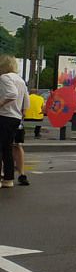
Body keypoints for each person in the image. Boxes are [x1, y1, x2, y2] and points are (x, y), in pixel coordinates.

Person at [0, 55, 31, 188]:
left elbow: (11, 94)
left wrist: (0, 104)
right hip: (15, 117)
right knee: (7, 148)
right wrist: (21, 114)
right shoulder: (20, 80)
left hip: (4, 116)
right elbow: (26, 101)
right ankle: (8, 179)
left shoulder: (4, 77)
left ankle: (5, 178)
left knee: (1, 148)